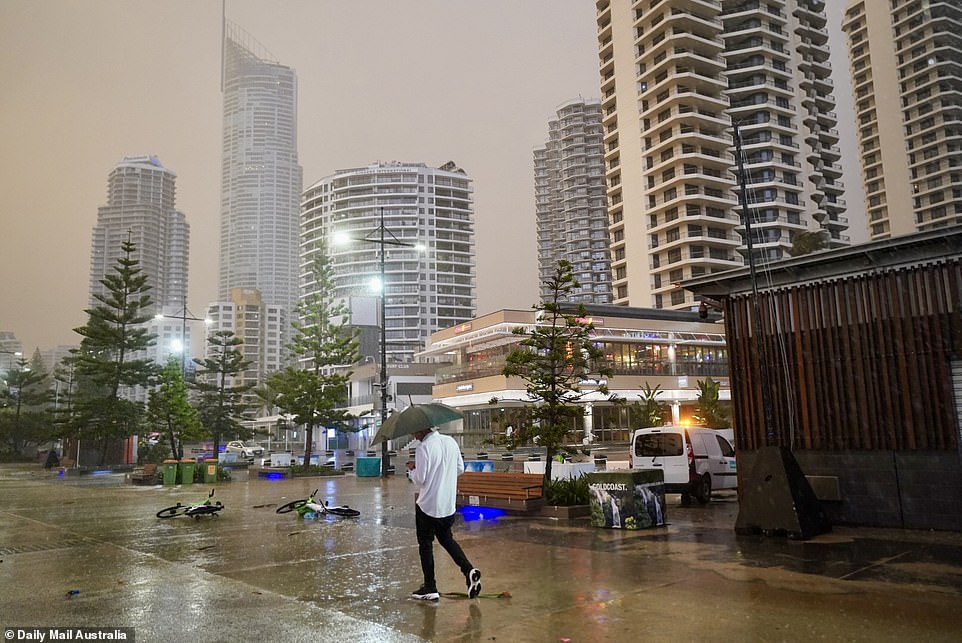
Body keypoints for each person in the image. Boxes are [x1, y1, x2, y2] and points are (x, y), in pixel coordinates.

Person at [406, 426, 481, 601]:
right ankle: (468, 570)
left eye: (414, 431)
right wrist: (441, 474)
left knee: (425, 544)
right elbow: (460, 468)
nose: (413, 434)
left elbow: (420, 479)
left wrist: (412, 469)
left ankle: (430, 587)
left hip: (428, 505)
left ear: (420, 430)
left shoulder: (423, 447)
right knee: (447, 539)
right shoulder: (450, 442)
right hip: (447, 505)